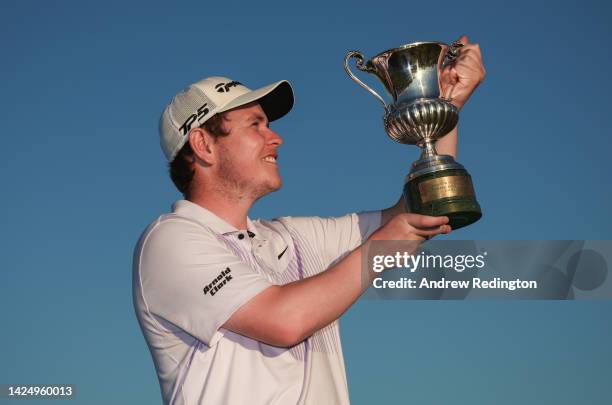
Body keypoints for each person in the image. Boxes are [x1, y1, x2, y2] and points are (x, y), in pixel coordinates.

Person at [133, 36, 485, 405]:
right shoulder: (170, 240)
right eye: (256, 125)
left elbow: (421, 213)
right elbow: (283, 321)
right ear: (203, 145)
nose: (276, 138)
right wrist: (379, 250)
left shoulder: (292, 237)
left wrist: (444, 107)